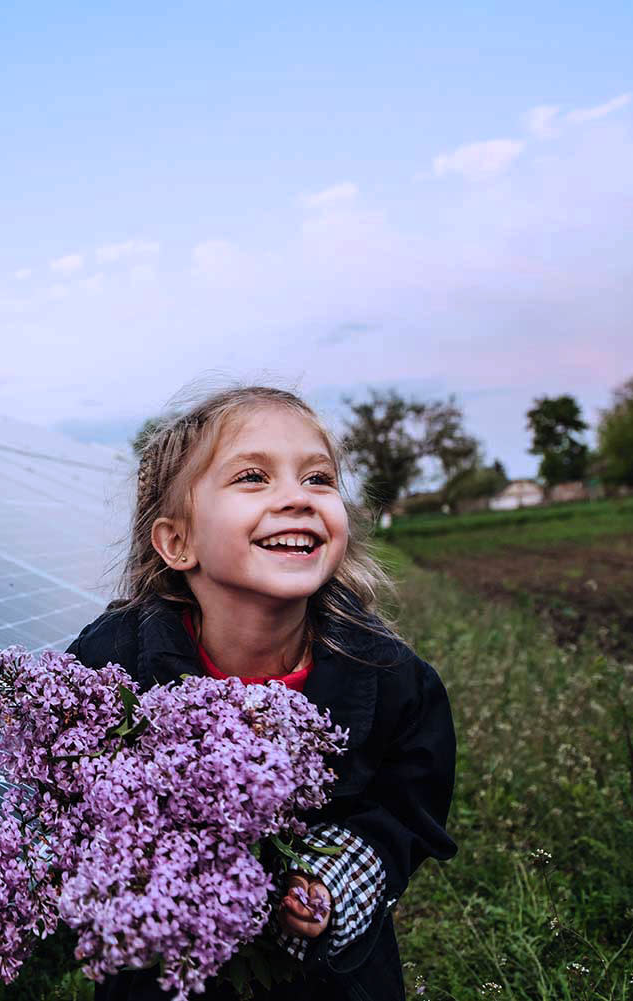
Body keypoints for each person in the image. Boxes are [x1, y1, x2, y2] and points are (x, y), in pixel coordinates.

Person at [65, 385, 457, 1000]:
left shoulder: (392, 678)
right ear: (177, 543)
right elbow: (62, 798)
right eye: (253, 477)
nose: (297, 498)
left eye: (319, 479)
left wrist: (330, 882)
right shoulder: (108, 663)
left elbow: (407, 813)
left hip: (328, 983)